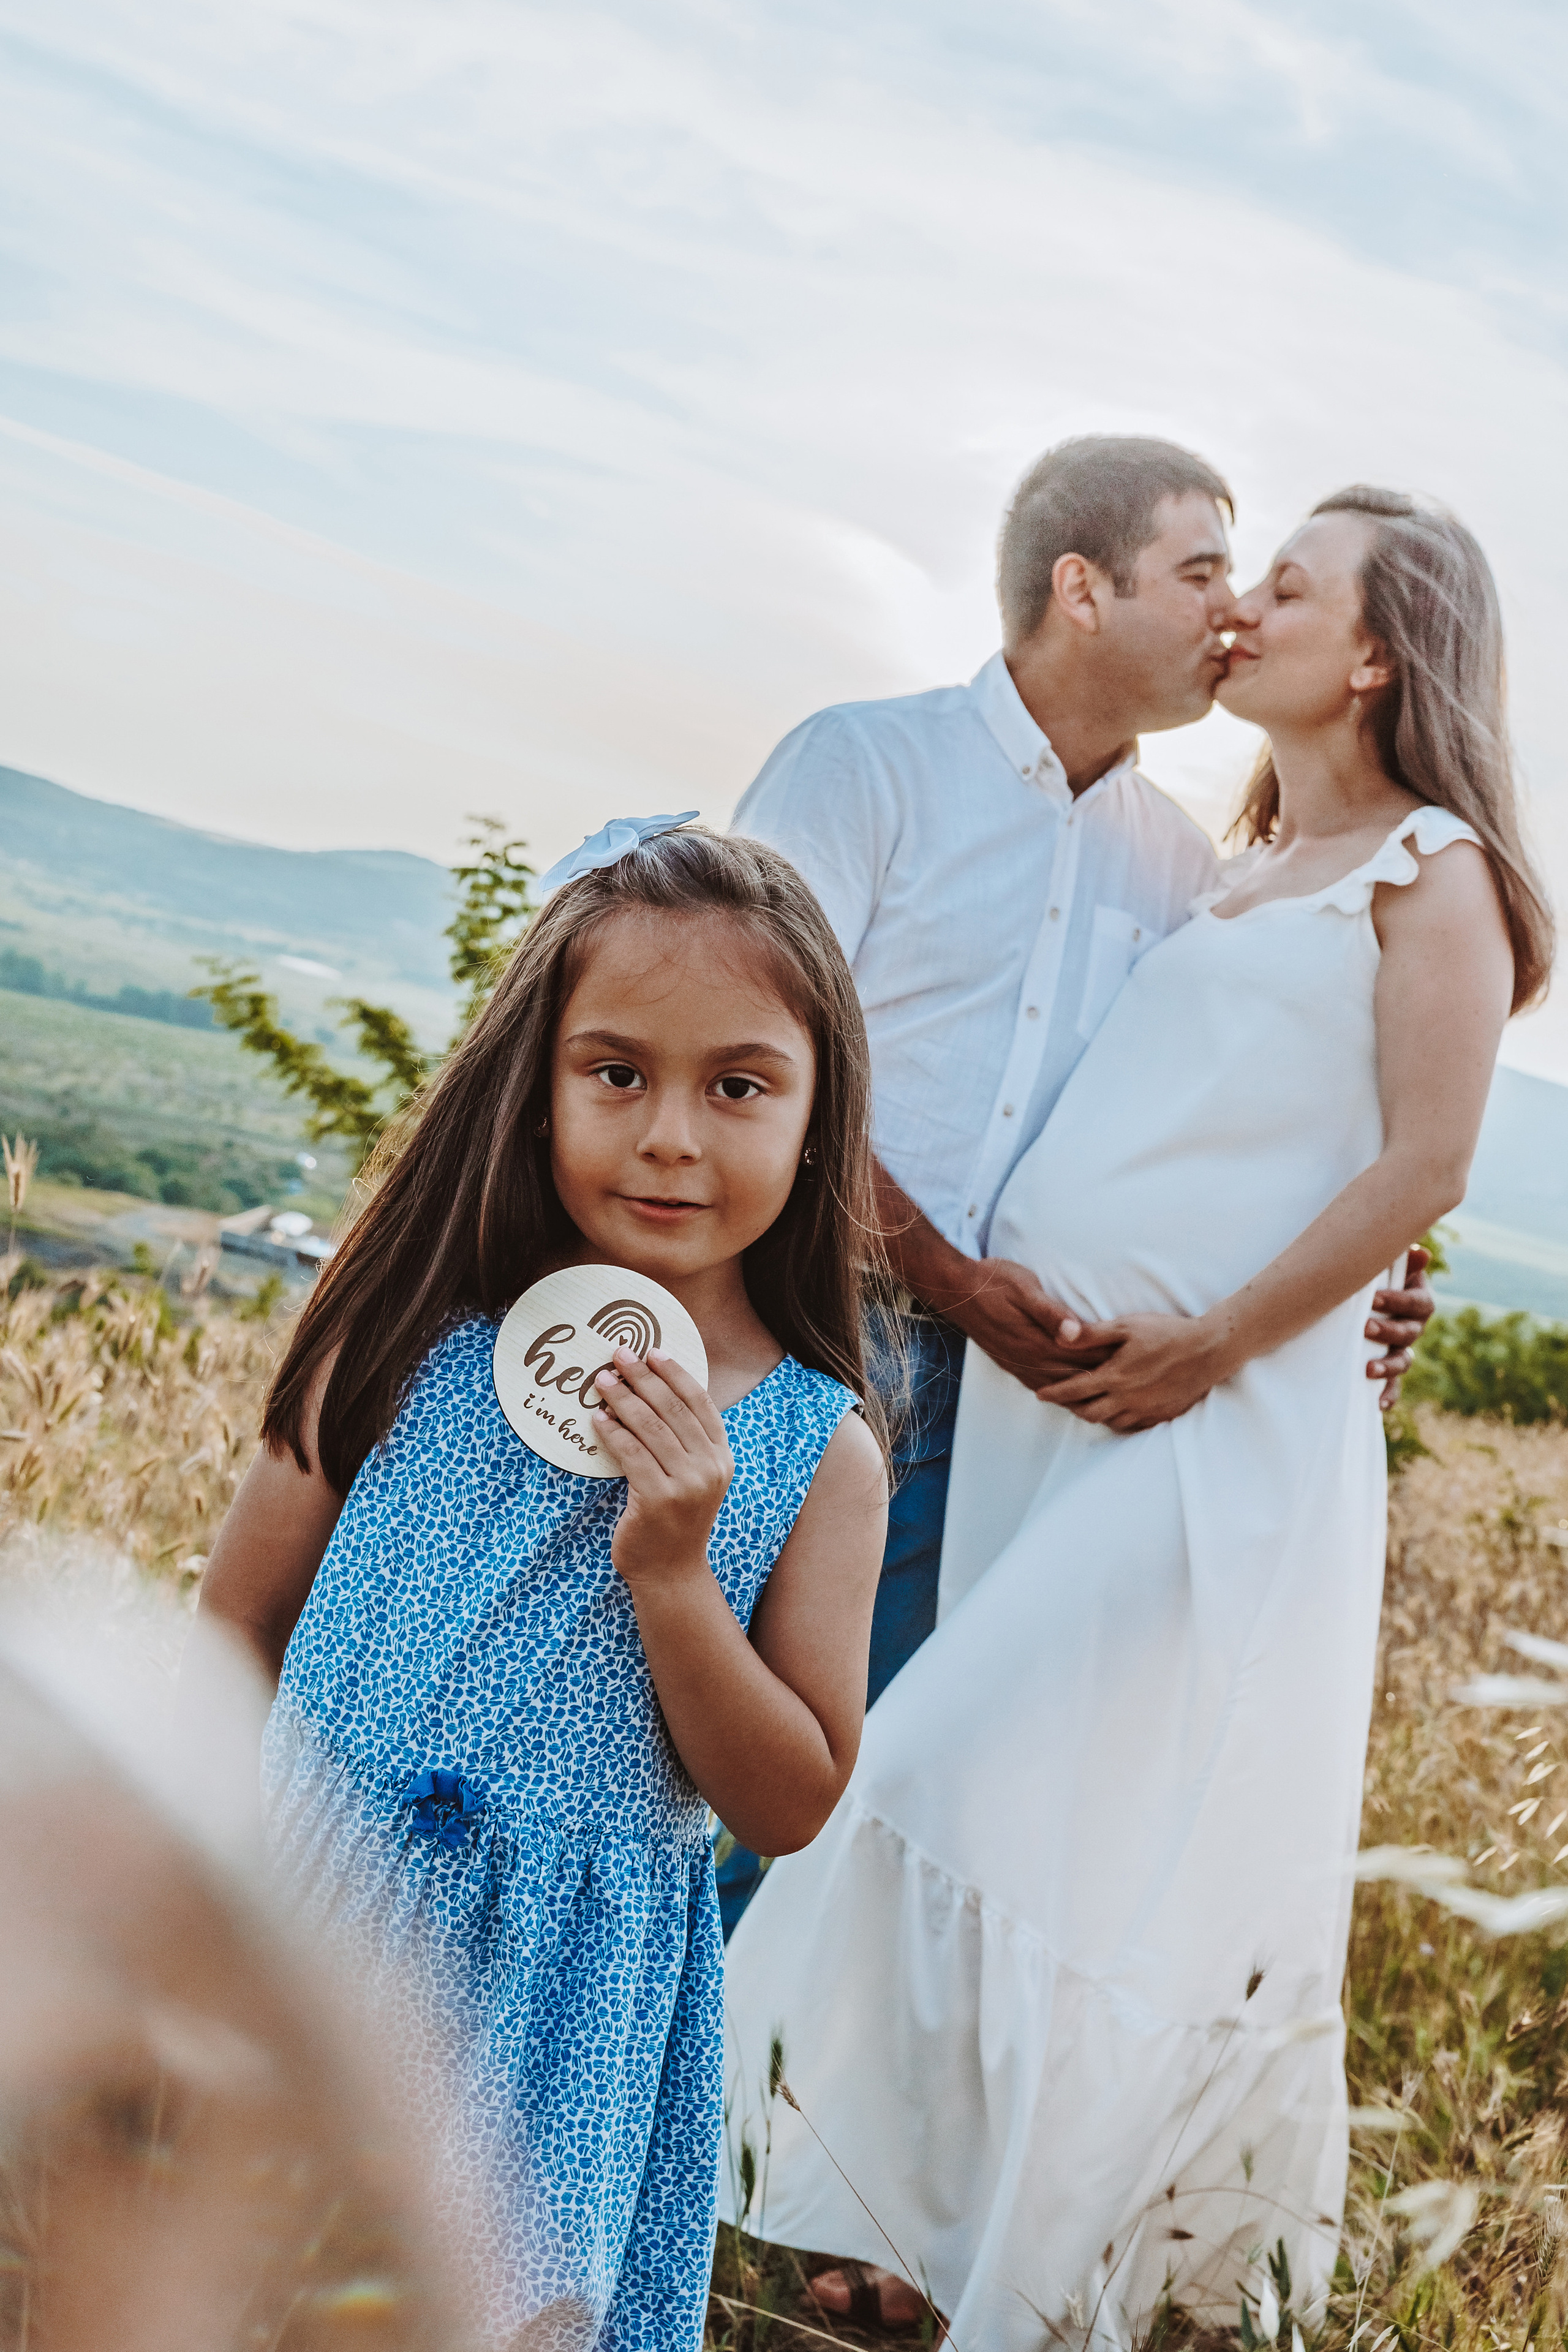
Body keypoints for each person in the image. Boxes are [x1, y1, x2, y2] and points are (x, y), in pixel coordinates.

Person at [720, 489, 1554, 2346]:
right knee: (1048, 1825)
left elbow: (1424, 1162)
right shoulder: (1223, 865)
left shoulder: (1437, 871)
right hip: (1060, 1418)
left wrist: (1227, 1341)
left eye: (1288, 586)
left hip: (1209, 1431)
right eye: (1230, 574)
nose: (1245, 608)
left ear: (1379, 654)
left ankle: (1022, 2254)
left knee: (932, 1773)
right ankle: (924, 2234)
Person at [715, 436, 1434, 1965]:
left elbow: (1252, 1091)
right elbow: (744, 1059)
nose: (1231, 609)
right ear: (1081, 590)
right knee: (656, 1720)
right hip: (783, 1328)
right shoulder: (862, 766)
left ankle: (720, 2082)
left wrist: (1376, 1274)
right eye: (1200, 572)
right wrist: (951, 1276)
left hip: (996, 1407)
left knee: (844, 1779)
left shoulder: (1179, 868)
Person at [197, 825, 890, 2351]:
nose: (669, 1138)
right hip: (314, 1915)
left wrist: (672, 1576)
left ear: (816, 1116)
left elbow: (789, 1800)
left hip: (556, 2009)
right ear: (536, 1082)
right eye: (615, 1072)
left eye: (738, 1087)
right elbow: (235, 1622)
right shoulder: (407, 1322)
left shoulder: (814, 1453)